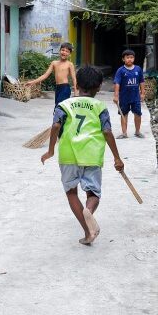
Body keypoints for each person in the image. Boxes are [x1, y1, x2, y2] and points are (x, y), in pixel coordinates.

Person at [41, 66, 124, 245]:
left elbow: (55, 126)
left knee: (71, 192)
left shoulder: (64, 105)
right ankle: (89, 210)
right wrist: (117, 158)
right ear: (99, 87)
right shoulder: (100, 106)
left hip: (68, 154)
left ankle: (88, 232)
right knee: (93, 193)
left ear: (76, 84)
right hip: (92, 155)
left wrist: (50, 150)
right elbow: (107, 131)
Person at [113, 49, 145, 139]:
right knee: (124, 114)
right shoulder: (120, 71)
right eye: (127, 58)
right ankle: (124, 133)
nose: (130, 59)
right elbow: (117, 83)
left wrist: (142, 93)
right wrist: (116, 96)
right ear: (123, 59)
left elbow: (142, 82)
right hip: (124, 97)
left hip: (135, 97)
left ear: (134, 59)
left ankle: (137, 131)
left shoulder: (138, 69)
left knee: (138, 114)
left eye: (131, 57)